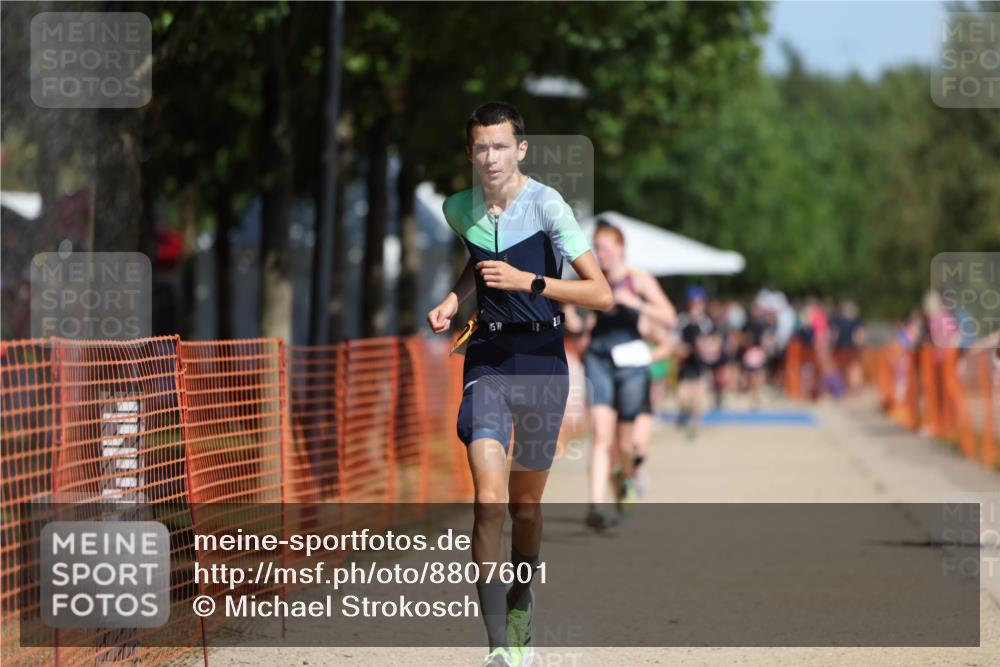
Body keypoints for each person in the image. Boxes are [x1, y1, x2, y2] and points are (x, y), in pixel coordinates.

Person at [426, 101, 612, 667]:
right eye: (481, 147)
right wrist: (455, 301)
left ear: (520, 150)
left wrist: (530, 281)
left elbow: (600, 293)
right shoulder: (458, 208)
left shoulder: (548, 204)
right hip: (487, 357)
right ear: (469, 152)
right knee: (487, 500)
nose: (491, 158)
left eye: (501, 146)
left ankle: (521, 597)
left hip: (541, 359)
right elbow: (475, 267)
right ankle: (497, 646)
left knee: (524, 507)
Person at [564, 221, 675, 528]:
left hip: (631, 365)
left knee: (625, 446)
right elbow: (581, 325)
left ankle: (626, 476)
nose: (600, 254)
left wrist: (636, 303)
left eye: (605, 248)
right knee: (601, 435)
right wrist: (570, 314)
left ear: (621, 249)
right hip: (599, 359)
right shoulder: (591, 279)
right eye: (596, 248)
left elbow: (669, 316)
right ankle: (595, 507)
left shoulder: (637, 280)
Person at [675, 285, 719, 440]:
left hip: (700, 363)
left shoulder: (706, 322)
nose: (696, 305)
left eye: (698, 302)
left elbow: (715, 341)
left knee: (698, 395)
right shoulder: (682, 320)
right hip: (685, 363)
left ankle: (694, 424)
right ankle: (684, 415)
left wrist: (706, 347)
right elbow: (674, 339)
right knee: (683, 396)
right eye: (693, 302)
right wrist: (680, 349)